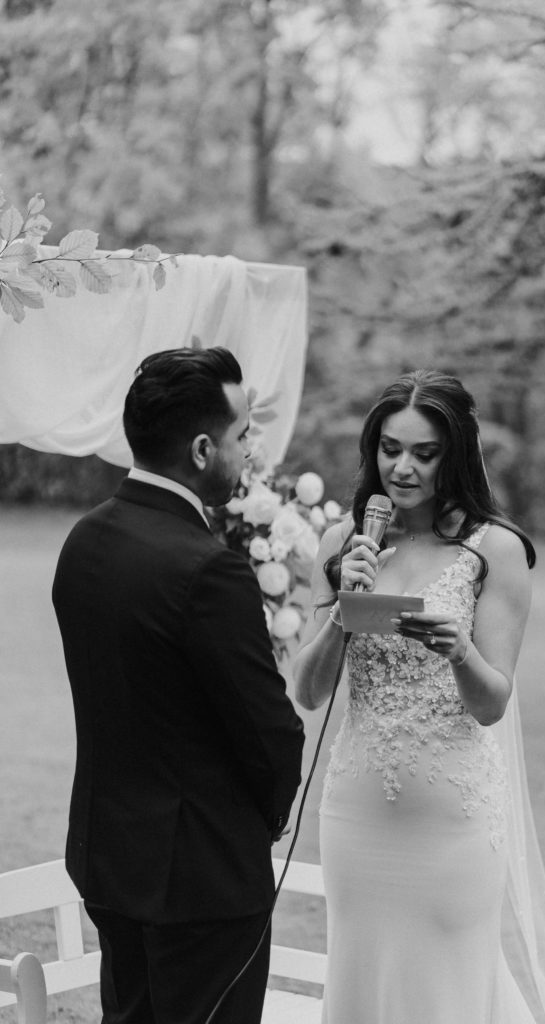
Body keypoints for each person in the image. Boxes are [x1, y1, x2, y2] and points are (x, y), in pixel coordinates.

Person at [293, 369, 545, 1024]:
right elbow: (309, 689)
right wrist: (342, 611)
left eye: (424, 453)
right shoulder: (342, 542)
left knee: (449, 988)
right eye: (390, 449)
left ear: (455, 455)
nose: (402, 468)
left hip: (451, 818)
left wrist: (460, 650)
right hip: (357, 814)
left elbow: (491, 703)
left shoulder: (494, 550)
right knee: (362, 975)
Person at [52, 347, 305, 1024]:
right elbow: (270, 732)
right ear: (201, 450)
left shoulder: (84, 541)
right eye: (241, 435)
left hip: (110, 860)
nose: (248, 450)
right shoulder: (208, 570)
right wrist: (263, 821)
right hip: (202, 882)